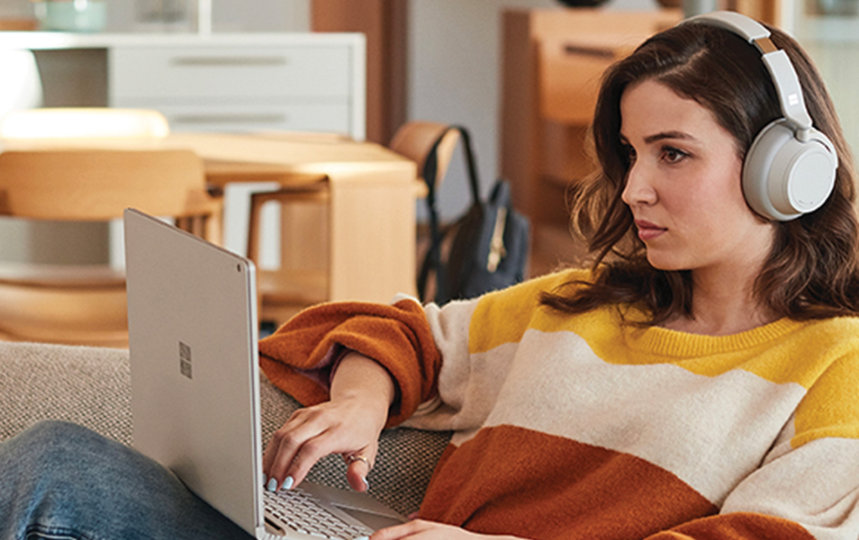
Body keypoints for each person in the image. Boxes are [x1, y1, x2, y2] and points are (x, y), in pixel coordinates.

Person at [2, 11, 858, 540]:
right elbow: (407, 331)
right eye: (631, 154)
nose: (634, 188)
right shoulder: (576, 306)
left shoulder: (834, 362)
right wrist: (361, 402)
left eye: (673, 154)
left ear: (785, 171)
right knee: (57, 462)